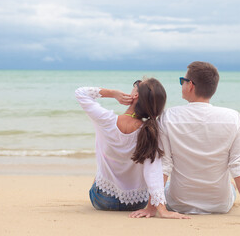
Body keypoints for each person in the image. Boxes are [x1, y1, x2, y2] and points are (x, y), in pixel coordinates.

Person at [131, 61, 240, 219]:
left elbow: (164, 165)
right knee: (231, 185)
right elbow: (238, 165)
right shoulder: (233, 118)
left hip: (178, 203)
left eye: (182, 81)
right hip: (220, 205)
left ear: (190, 85)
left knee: (166, 186)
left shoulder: (168, 117)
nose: (182, 84)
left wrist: (151, 208)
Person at [75, 78, 188, 219]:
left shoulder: (106, 120)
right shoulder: (150, 131)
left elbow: (81, 93)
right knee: (166, 183)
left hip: (103, 200)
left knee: (100, 173)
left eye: (136, 85)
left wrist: (113, 93)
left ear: (135, 95)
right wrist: (160, 209)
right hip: (138, 203)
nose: (134, 86)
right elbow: (153, 171)